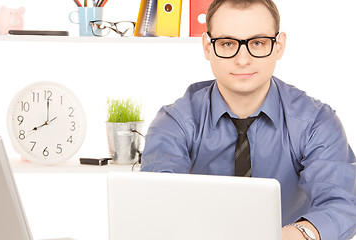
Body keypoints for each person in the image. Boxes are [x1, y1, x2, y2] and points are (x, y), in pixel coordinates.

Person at [140, 0, 356, 239]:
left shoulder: (315, 122)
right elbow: (156, 203)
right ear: (207, 47)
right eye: (227, 43)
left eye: (257, 42)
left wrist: (293, 235)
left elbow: (342, 203)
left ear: (279, 46)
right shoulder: (175, 122)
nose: (243, 60)